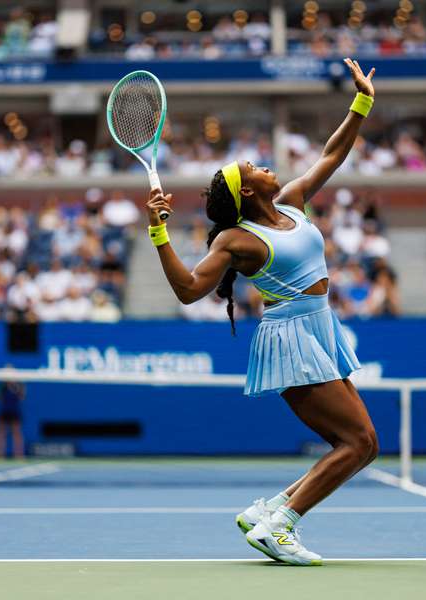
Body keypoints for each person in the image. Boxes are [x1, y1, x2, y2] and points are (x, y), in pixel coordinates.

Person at [145, 58, 378, 566]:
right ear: (247, 191)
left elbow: (331, 155)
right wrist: (159, 234)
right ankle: (281, 525)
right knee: (359, 442)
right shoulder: (237, 239)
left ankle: (270, 511)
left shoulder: (293, 202)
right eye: (255, 168)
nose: (266, 166)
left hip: (321, 326)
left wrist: (361, 102)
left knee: (359, 441)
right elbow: (188, 290)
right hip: (291, 335)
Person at [0, 371, 26, 459]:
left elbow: (22, 396)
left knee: (17, 433)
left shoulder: (18, 385)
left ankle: (19, 454)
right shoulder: (2, 386)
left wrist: (15, 388)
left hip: (14, 411)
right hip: (4, 411)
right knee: (1, 432)